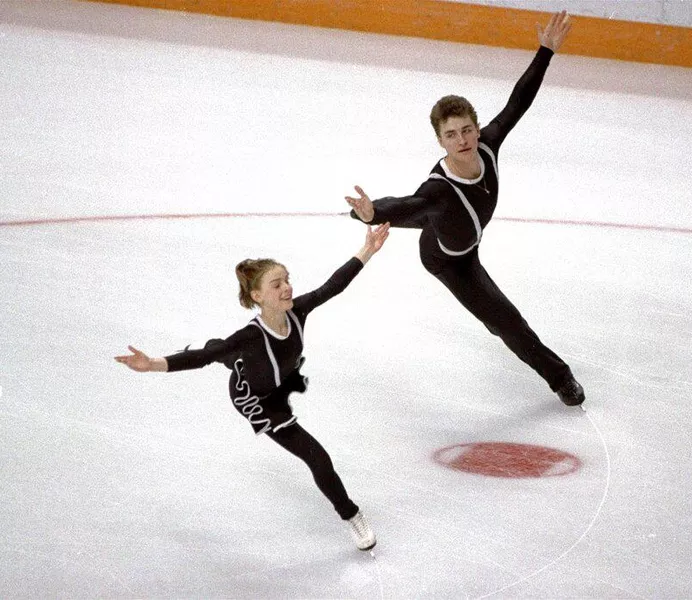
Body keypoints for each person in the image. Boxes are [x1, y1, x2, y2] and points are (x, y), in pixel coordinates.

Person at [345, 11, 584, 407]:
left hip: (465, 240)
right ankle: (561, 378)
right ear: (440, 142)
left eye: (467, 130)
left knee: (497, 319)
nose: (462, 140)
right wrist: (369, 213)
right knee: (508, 320)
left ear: (476, 128)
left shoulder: (488, 146)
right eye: (451, 135)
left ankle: (495, 321)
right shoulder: (439, 192)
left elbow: (517, 103)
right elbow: (407, 207)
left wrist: (545, 51)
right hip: (447, 259)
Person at [114, 222, 391, 552]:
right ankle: (351, 515)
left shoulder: (298, 311)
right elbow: (204, 358)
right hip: (257, 397)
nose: (287, 288)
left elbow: (333, 285)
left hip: (275, 375)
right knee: (316, 456)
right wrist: (154, 364)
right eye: (277, 285)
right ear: (258, 296)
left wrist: (368, 250)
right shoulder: (249, 337)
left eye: (287, 280)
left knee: (228, 353)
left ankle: (223, 351)